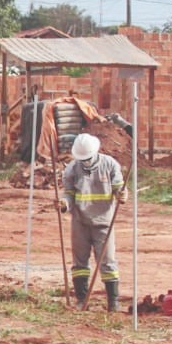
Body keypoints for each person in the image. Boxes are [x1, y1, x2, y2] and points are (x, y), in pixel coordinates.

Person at [60, 132, 127, 311]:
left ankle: (113, 302)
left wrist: (121, 195)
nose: (86, 162)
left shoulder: (110, 165)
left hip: (104, 222)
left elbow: (119, 188)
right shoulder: (72, 169)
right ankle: (81, 300)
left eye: (88, 159)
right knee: (79, 263)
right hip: (80, 221)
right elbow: (69, 193)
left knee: (107, 261)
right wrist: (64, 204)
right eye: (82, 159)